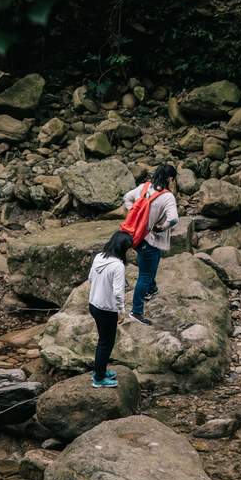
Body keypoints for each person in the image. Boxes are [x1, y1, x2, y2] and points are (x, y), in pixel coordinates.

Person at [123, 163, 178, 326]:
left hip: (137, 236)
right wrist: (161, 227)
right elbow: (174, 219)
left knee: (147, 265)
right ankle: (136, 311)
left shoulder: (144, 187)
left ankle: (151, 288)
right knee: (145, 275)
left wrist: (133, 212)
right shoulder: (168, 197)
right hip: (152, 240)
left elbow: (126, 197)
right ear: (170, 178)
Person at [87, 230, 132, 388]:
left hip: (93, 304)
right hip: (107, 309)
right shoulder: (118, 266)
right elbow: (118, 292)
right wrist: (121, 311)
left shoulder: (99, 256)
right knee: (106, 343)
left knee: (102, 341)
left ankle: (100, 370)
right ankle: (99, 378)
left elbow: (90, 278)